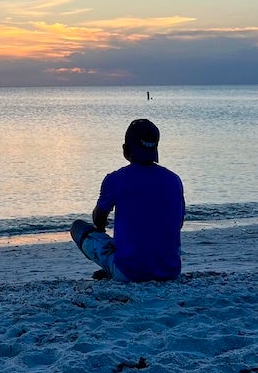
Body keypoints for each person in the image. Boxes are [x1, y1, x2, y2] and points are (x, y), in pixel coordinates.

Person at [71, 118, 185, 282]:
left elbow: (99, 219)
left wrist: (102, 226)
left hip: (130, 273)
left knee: (78, 227)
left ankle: (114, 267)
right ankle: (120, 264)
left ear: (125, 149)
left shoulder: (116, 179)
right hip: (170, 271)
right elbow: (178, 223)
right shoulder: (174, 179)